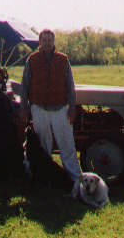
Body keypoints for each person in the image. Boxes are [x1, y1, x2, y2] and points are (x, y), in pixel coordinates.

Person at [20, 29, 82, 183]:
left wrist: (72, 108)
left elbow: (70, 85)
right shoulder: (32, 60)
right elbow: (25, 85)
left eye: (50, 40)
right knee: (43, 145)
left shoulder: (63, 60)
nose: (47, 43)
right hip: (38, 108)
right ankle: (41, 178)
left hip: (60, 108)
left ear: (54, 42)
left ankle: (75, 179)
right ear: (39, 42)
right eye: (44, 40)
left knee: (67, 144)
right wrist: (23, 107)